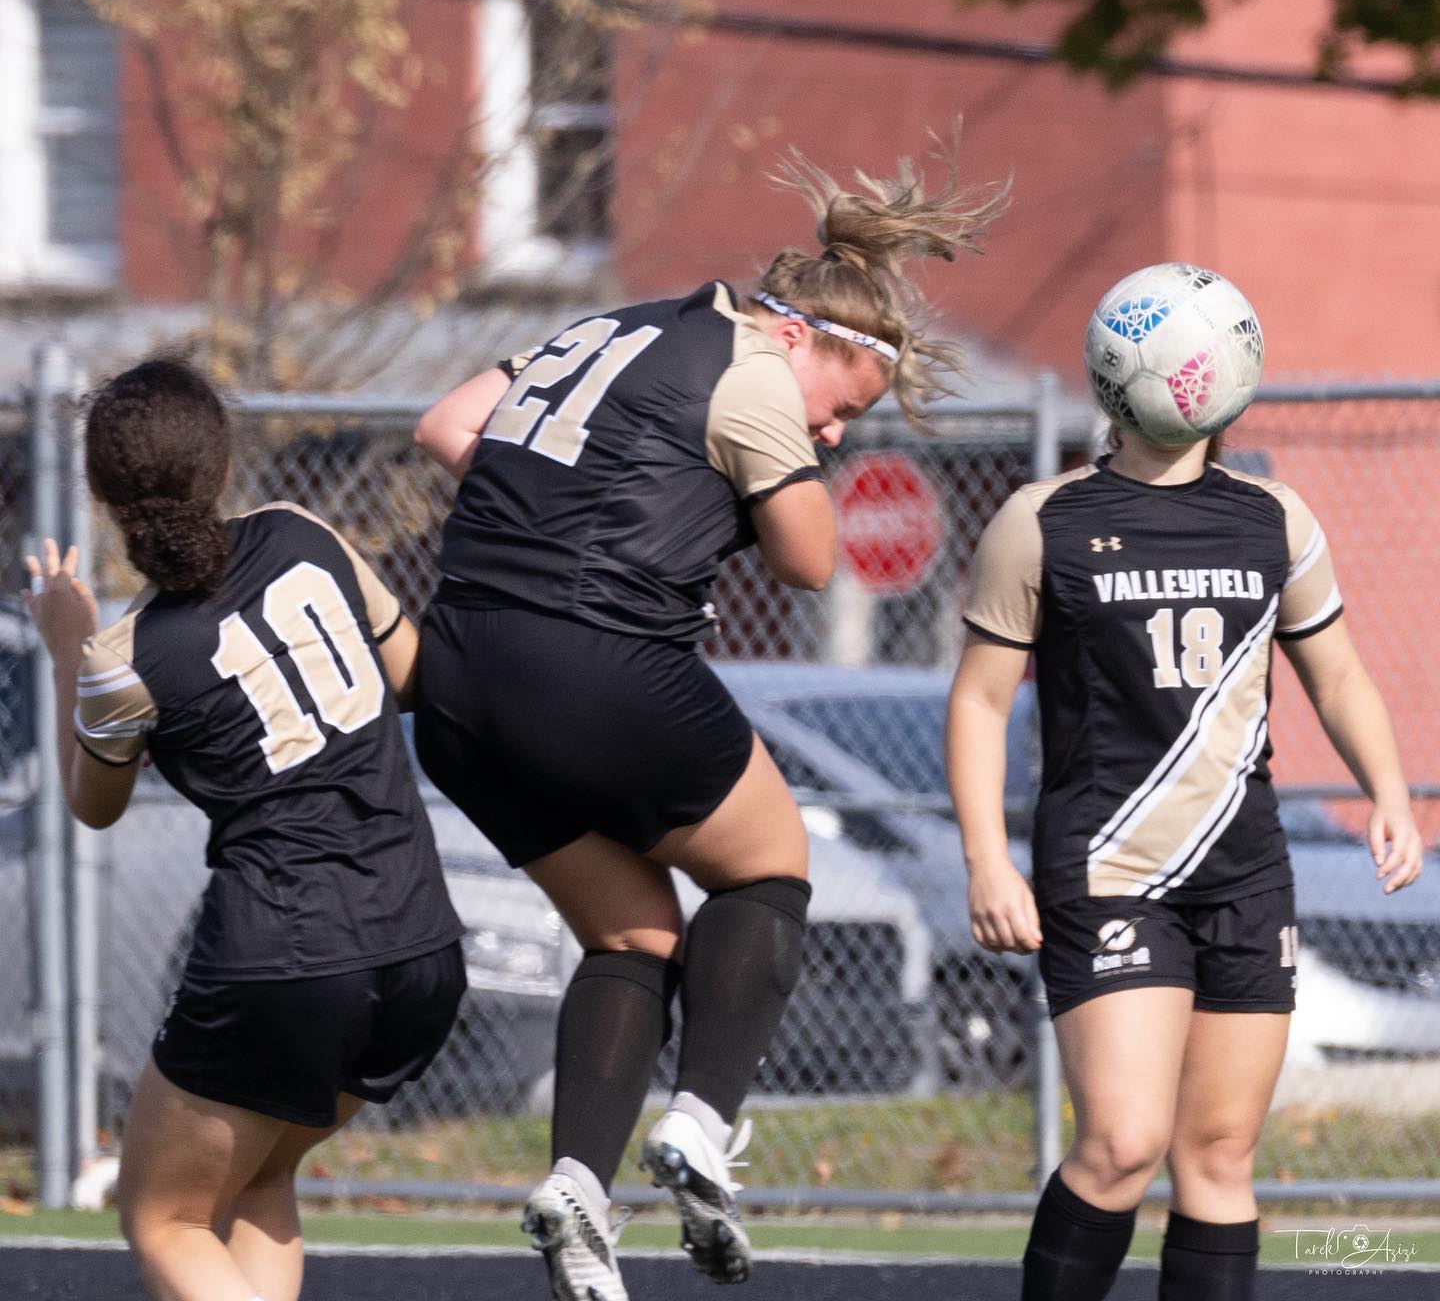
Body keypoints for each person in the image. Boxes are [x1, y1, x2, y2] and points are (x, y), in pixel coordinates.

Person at [412, 140, 1006, 1301]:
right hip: (597, 660)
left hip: (457, 679)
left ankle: (579, 1188)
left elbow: (446, 427)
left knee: (634, 935)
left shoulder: (613, 326)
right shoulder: (750, 371)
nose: (835, 435)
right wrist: (773, 467)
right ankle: (700, 1121)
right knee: (771, 867)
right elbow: (810, 559)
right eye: (842, 410)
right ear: (798, 339)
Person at [945, 272, 1425, 1301]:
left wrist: (1388, 789)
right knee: (1121, 1143)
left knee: (1216, 1157)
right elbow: (981, 703)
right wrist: (986, 858)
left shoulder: (1274, 520)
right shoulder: (1044, 522)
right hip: (1109, 871)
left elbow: (1335, 673)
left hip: (1244, 872)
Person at [24, 358, 466, 1301]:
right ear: (221, 468)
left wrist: (69, 652)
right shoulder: (302, 535)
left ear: (105, 497)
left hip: (283, 957)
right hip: (419, 942)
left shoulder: (125, 656)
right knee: (259, 1174)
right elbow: (407, 672)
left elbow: (91, 806)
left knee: (163, 1217)